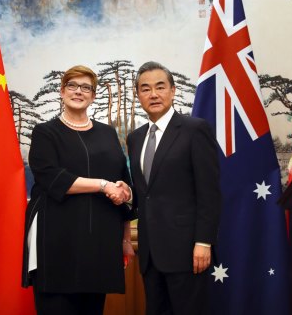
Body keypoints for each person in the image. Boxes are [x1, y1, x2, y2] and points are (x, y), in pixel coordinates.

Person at [22, 65, 135, 315]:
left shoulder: (107, 133)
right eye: (72, 86)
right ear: (62, 92)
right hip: (57, 241)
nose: (78, 91)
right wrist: (102, 185)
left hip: (100, 243)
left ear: (93, 96)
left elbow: (122, 181)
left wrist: (126, 238)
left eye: (86, 87)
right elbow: (53, 178)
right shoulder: (45, 132)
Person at [126, 61, 221, 315]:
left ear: (173, 90)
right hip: (149, 254)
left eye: (160, 87)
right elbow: (144, 192)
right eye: (145, 89)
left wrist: (204, 241)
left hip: (187, 251)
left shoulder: (194, 130)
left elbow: (209, 193)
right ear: (138, 96)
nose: (153, 94)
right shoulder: (135, 138)